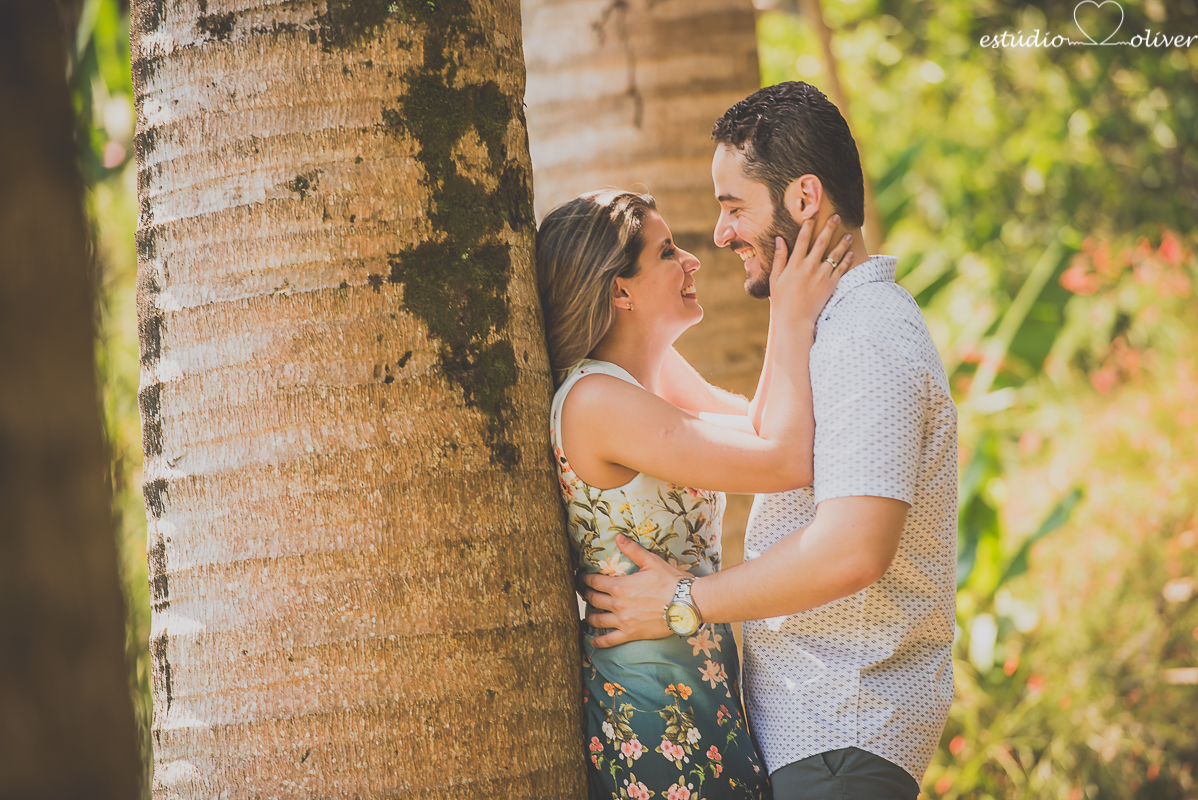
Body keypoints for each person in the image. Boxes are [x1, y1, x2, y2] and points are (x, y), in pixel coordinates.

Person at [580, 82, 959, 800]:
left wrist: (684, 600)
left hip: (842, 733)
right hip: (818, 735)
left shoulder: (866, 337)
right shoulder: (831, 328)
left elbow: (853, 549)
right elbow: (760, 433)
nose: (721, 235)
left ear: (804, 198)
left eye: (734, 208)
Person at [536, 188, 857, 800]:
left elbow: (764, 430)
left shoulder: (646, 376)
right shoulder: (597, 401)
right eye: (666, 252)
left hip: (707, 695)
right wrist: (791, 315)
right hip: (654, 715)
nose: (692, 260)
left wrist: (785, 303)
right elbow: (786, 459)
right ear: (620, 292)